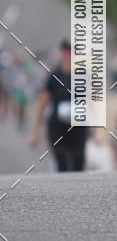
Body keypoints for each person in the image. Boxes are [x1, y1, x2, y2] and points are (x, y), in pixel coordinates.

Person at [28, 40, 88, 172]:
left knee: (79, 162)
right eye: (67, 53)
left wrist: (98, 130)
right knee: (61, 162)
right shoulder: (54, 76)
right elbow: (42, 102)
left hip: (78, 124)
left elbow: (93, 102)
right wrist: (35, 131)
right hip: (57, 124)